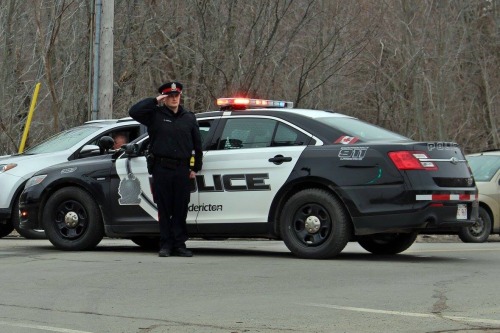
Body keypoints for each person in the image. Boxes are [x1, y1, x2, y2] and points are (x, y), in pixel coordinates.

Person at [129, 81, 202, 257]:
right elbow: (134, 112)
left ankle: (180, 244)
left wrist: (195, 167)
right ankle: (166, 245)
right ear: (164, 98)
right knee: (164, 208)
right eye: (170, 96)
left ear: (180, 96)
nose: (174, 98)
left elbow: (197, 144)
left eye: (177, 95)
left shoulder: (189, 117)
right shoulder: (155, 115)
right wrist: (155, 100)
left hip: (182, 169)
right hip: (162, 167)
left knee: (180, 208)